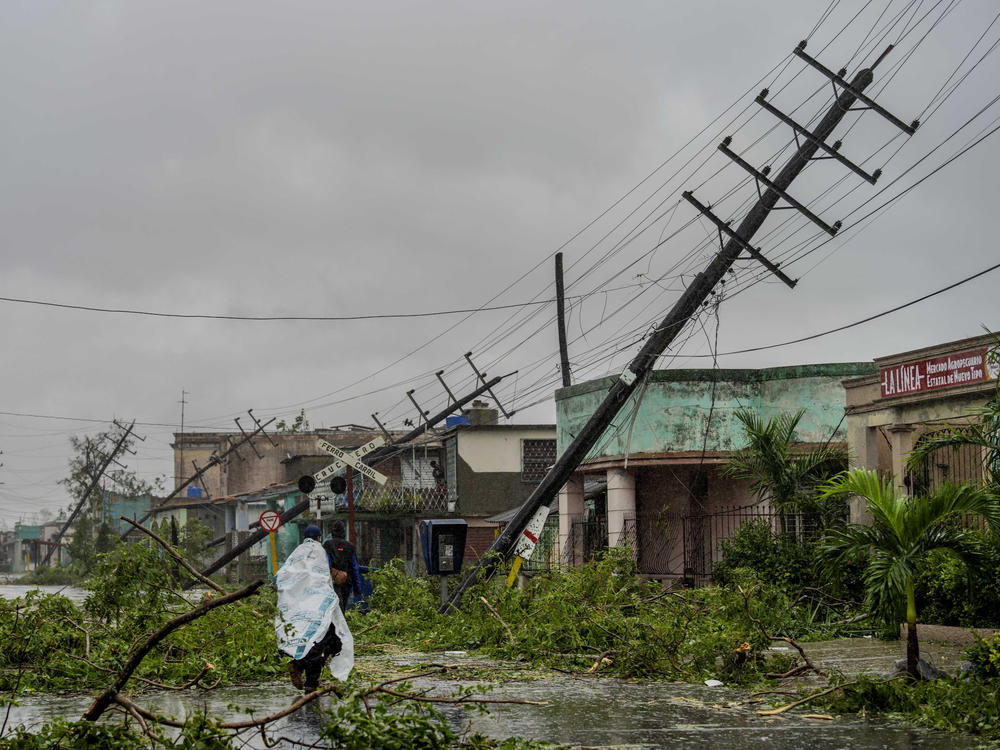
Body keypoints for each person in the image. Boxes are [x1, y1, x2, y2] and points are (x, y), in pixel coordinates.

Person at [275, 525, 354, 691]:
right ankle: (307, 677)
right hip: (321, 605)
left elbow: (280, 577)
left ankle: (306, 674)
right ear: (319, 537)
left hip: (302, 606)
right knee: (327, 640)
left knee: (317, 640)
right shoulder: (321, 551)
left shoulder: (296, 553)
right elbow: (327, 573)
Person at [323, 520, 361, 613]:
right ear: (344, 532)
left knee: (332, 608)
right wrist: (357, 588)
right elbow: (355, 568)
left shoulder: (328, 545)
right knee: (342, 606)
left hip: (331, 582)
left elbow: (325, 563)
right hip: (346, 581)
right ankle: (341, 625)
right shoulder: (350, 546)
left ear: (333, 532)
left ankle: (333, 626)